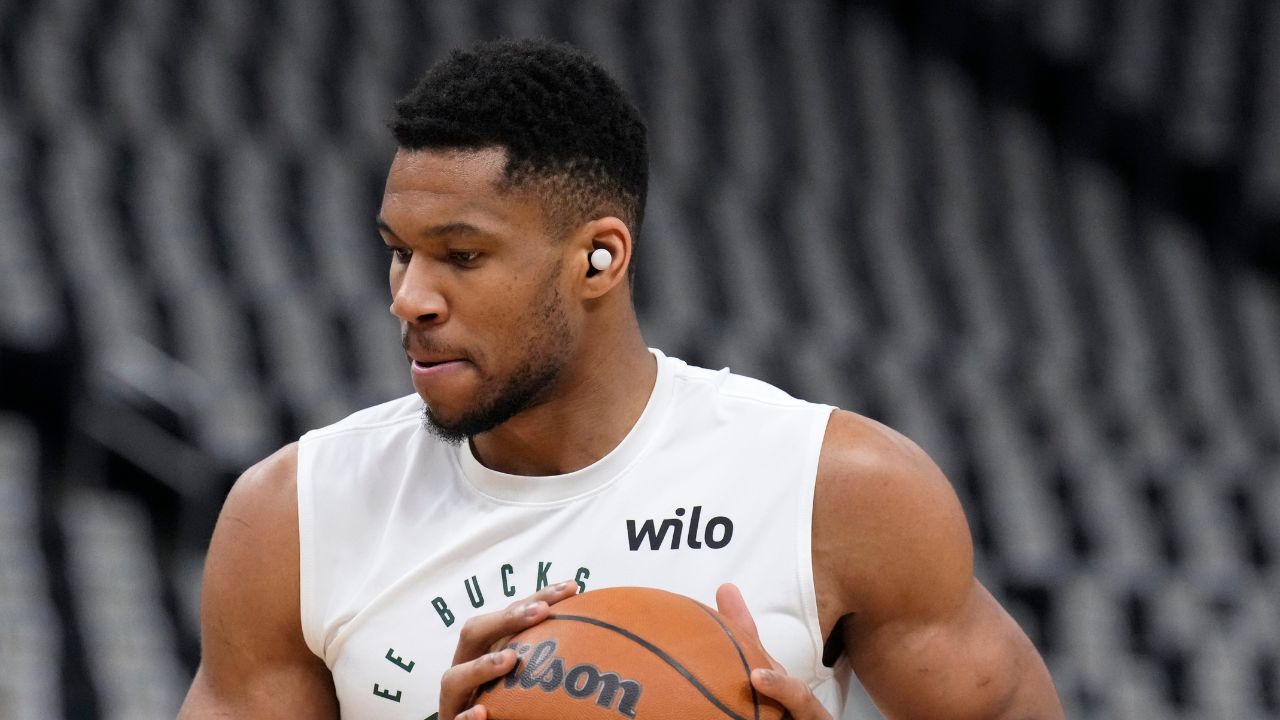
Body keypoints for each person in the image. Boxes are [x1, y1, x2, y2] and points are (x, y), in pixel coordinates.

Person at [178, 38, 1064, 720]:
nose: (410, 298)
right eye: (399, 253)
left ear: (600, 257)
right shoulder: (295, 516)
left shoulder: (833, 489)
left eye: (462, 255)